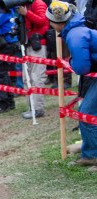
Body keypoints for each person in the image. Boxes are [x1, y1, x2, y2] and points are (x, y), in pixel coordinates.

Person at [46, 0, 97, 166]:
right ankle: (89, 152)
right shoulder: (76, 30)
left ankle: (91, 156)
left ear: (55, 21)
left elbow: (82, 67)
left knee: (87, 113)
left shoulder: (75, 35)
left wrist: (71, 63)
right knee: (87, 112)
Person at [17, 0, 49, 119]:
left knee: (36, 77)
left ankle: (38, 109)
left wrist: (26, 13)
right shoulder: (25, 5)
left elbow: (42, 21)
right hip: (28, 45)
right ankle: (31, 107)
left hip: (38, 45)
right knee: (27, 78)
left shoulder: (38, 3)